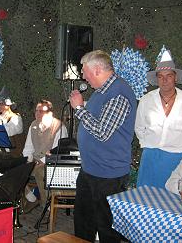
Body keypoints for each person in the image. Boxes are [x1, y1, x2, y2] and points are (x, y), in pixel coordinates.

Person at [69, 50, 136, 243]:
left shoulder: (119, 94)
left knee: (107, 230)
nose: (83, 76)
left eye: (84, 71)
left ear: (97, 69)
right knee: (83, 225)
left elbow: (102, 132)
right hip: (90, 171)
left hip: (108, 176)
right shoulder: (101, 92)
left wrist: (80, 108)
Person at [135, 49, 182, 188]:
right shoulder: (146, 100)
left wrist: (180, 146)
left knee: (173, 200)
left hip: (177, 158)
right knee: (146, 198)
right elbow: (139, 128)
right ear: (156, 78)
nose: (164, 80)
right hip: (150, 158)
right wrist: (148, 144)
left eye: (169, 76)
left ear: (175, 78)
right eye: (160, 76)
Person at [22, 100, 68, 210]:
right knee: (15, 169)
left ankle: (46, 205)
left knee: (39, 171)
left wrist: (41, 161)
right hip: (36, 161)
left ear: (50, 113)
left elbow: (58, 151)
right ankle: (31, 198)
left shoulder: (59, 127)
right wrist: (26, 161)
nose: (37, 114)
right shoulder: (33, 125)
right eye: (36, 111)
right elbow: (28, 147)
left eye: (41, 111)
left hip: (52, 163)